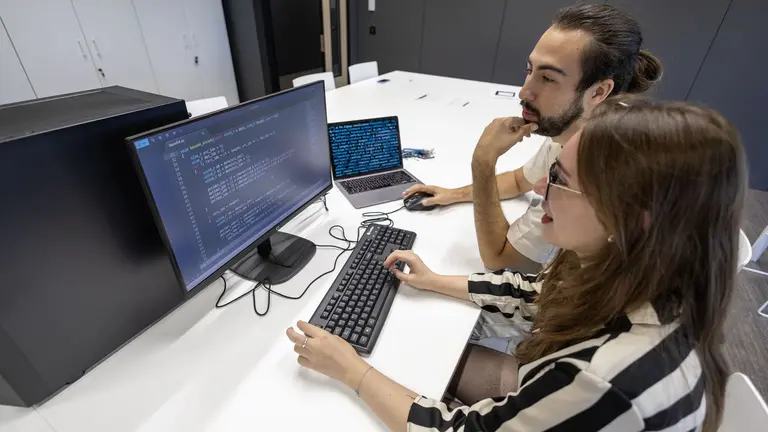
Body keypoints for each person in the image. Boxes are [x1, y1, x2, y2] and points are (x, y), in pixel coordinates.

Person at [285, 96, 746, 431]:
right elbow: (537, 294)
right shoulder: (647, 271)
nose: (540, 193)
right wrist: (436, 280)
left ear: (628, 218)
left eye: (560, 182)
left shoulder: (601, 377)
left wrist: (350, 369)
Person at [404, 4, 663, 273]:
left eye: (548, 78)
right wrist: (453, 194)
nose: (524, 92)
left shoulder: (600, 167)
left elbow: (500, 260)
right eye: (530, 70)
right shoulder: (579, 122)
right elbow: (520, 180)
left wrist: (483, 161)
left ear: (599, 92)